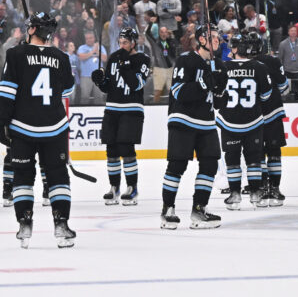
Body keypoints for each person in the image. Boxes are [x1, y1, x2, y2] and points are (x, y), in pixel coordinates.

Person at [0, 12, 77, 248]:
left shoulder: (15, 54)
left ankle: (25, 224)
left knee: (23, 176)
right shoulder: (61, 57)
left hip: (23, 127)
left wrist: (2, 121)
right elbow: (66, 92)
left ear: (32, 30)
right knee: (58, 177)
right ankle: (61, 225)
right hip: (54, 126)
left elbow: (7, 92)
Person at [162, 25, 223, 230]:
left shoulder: (217, 65)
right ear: (202, 40)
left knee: (210, 165)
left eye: (218, 37)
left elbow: (219, 102)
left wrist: (220, 87)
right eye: (213, 37)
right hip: (183, 119)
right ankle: (167, 209)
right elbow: (179, 92)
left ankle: (199, 209)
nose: (217, 40)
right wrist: (205, 83)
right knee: (177, 166)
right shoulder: (186, 60)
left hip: (206, 122)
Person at [215, 32, 273, 211]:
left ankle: (235, 194)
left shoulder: (223, 67)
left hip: (229, 122)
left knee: (232, 160)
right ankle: (255, 193)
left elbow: (217, 96)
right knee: (254, 159)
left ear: (234, 48)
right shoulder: (260, 67)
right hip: (253, 121)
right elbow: (266, 95)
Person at [93, 27, 150, 205]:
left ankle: (132, 188)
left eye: (125, 42)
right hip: (112, 108)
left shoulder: (143, 59)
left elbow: (136, 84)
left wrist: (126, 66)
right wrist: (100, 81)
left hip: (132, 109)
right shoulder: (114, 58)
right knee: (111, 150)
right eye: (120, 42)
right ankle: (114, 187)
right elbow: (108, 87)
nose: (122, 45)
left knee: (126, 148)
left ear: (133, 43)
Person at [252, 34, 289, 204]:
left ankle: (262, 187)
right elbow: (284, 87)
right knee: (274, 151)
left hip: (253, 115)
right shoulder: (273, 61)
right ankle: (275, 189)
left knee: (258, 153)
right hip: (273, 111)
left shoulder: (247, 64)